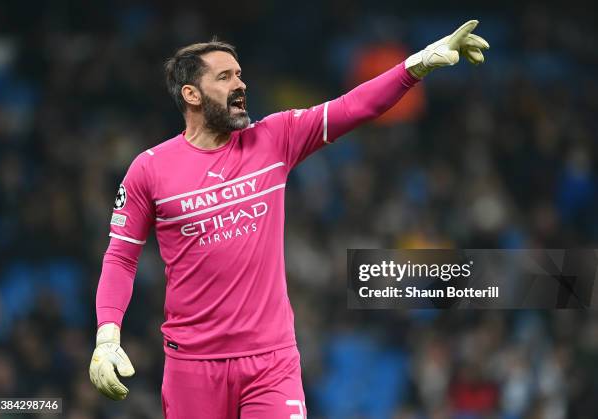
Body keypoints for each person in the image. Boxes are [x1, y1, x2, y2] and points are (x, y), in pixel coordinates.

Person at [89, 20, 489, 418]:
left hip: (271, 361)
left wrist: (417, 64)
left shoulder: (273, 138)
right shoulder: (150, 170)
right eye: (225, 77)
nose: (240, 85)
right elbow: (121, 258)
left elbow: (354, 107)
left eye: (240, 75)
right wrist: (108, 336)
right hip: (193, 366)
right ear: (191, 94)